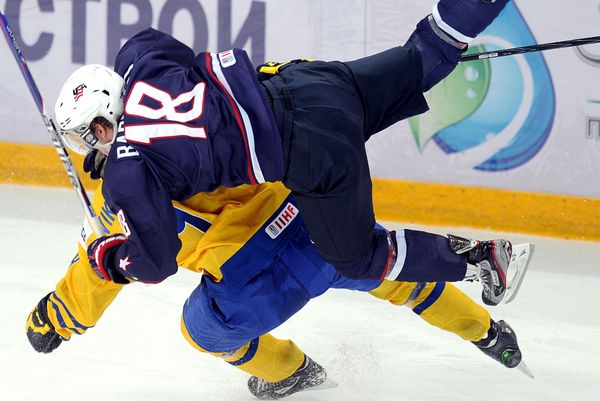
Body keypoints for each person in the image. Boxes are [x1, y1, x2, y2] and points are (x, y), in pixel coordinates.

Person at [53, 0, 519, 306]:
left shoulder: (127, 173)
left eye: (88, 135)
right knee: (423, 55)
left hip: (312, 151)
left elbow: (156, 261)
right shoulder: (142, 62)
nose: (89, 146)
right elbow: (149, 47)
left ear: (101, 124)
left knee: (357, 258)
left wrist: (110, 257)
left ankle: (478, 258)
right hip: (313, 83)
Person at [26, 180, 528, 400]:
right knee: (397, 276)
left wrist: (56, 316)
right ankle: (489, 333)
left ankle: (291, 371)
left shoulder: (121, 192)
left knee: (200, 329)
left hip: (256, 276)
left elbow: (104, 270)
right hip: (306, 216)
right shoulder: (199, 106)